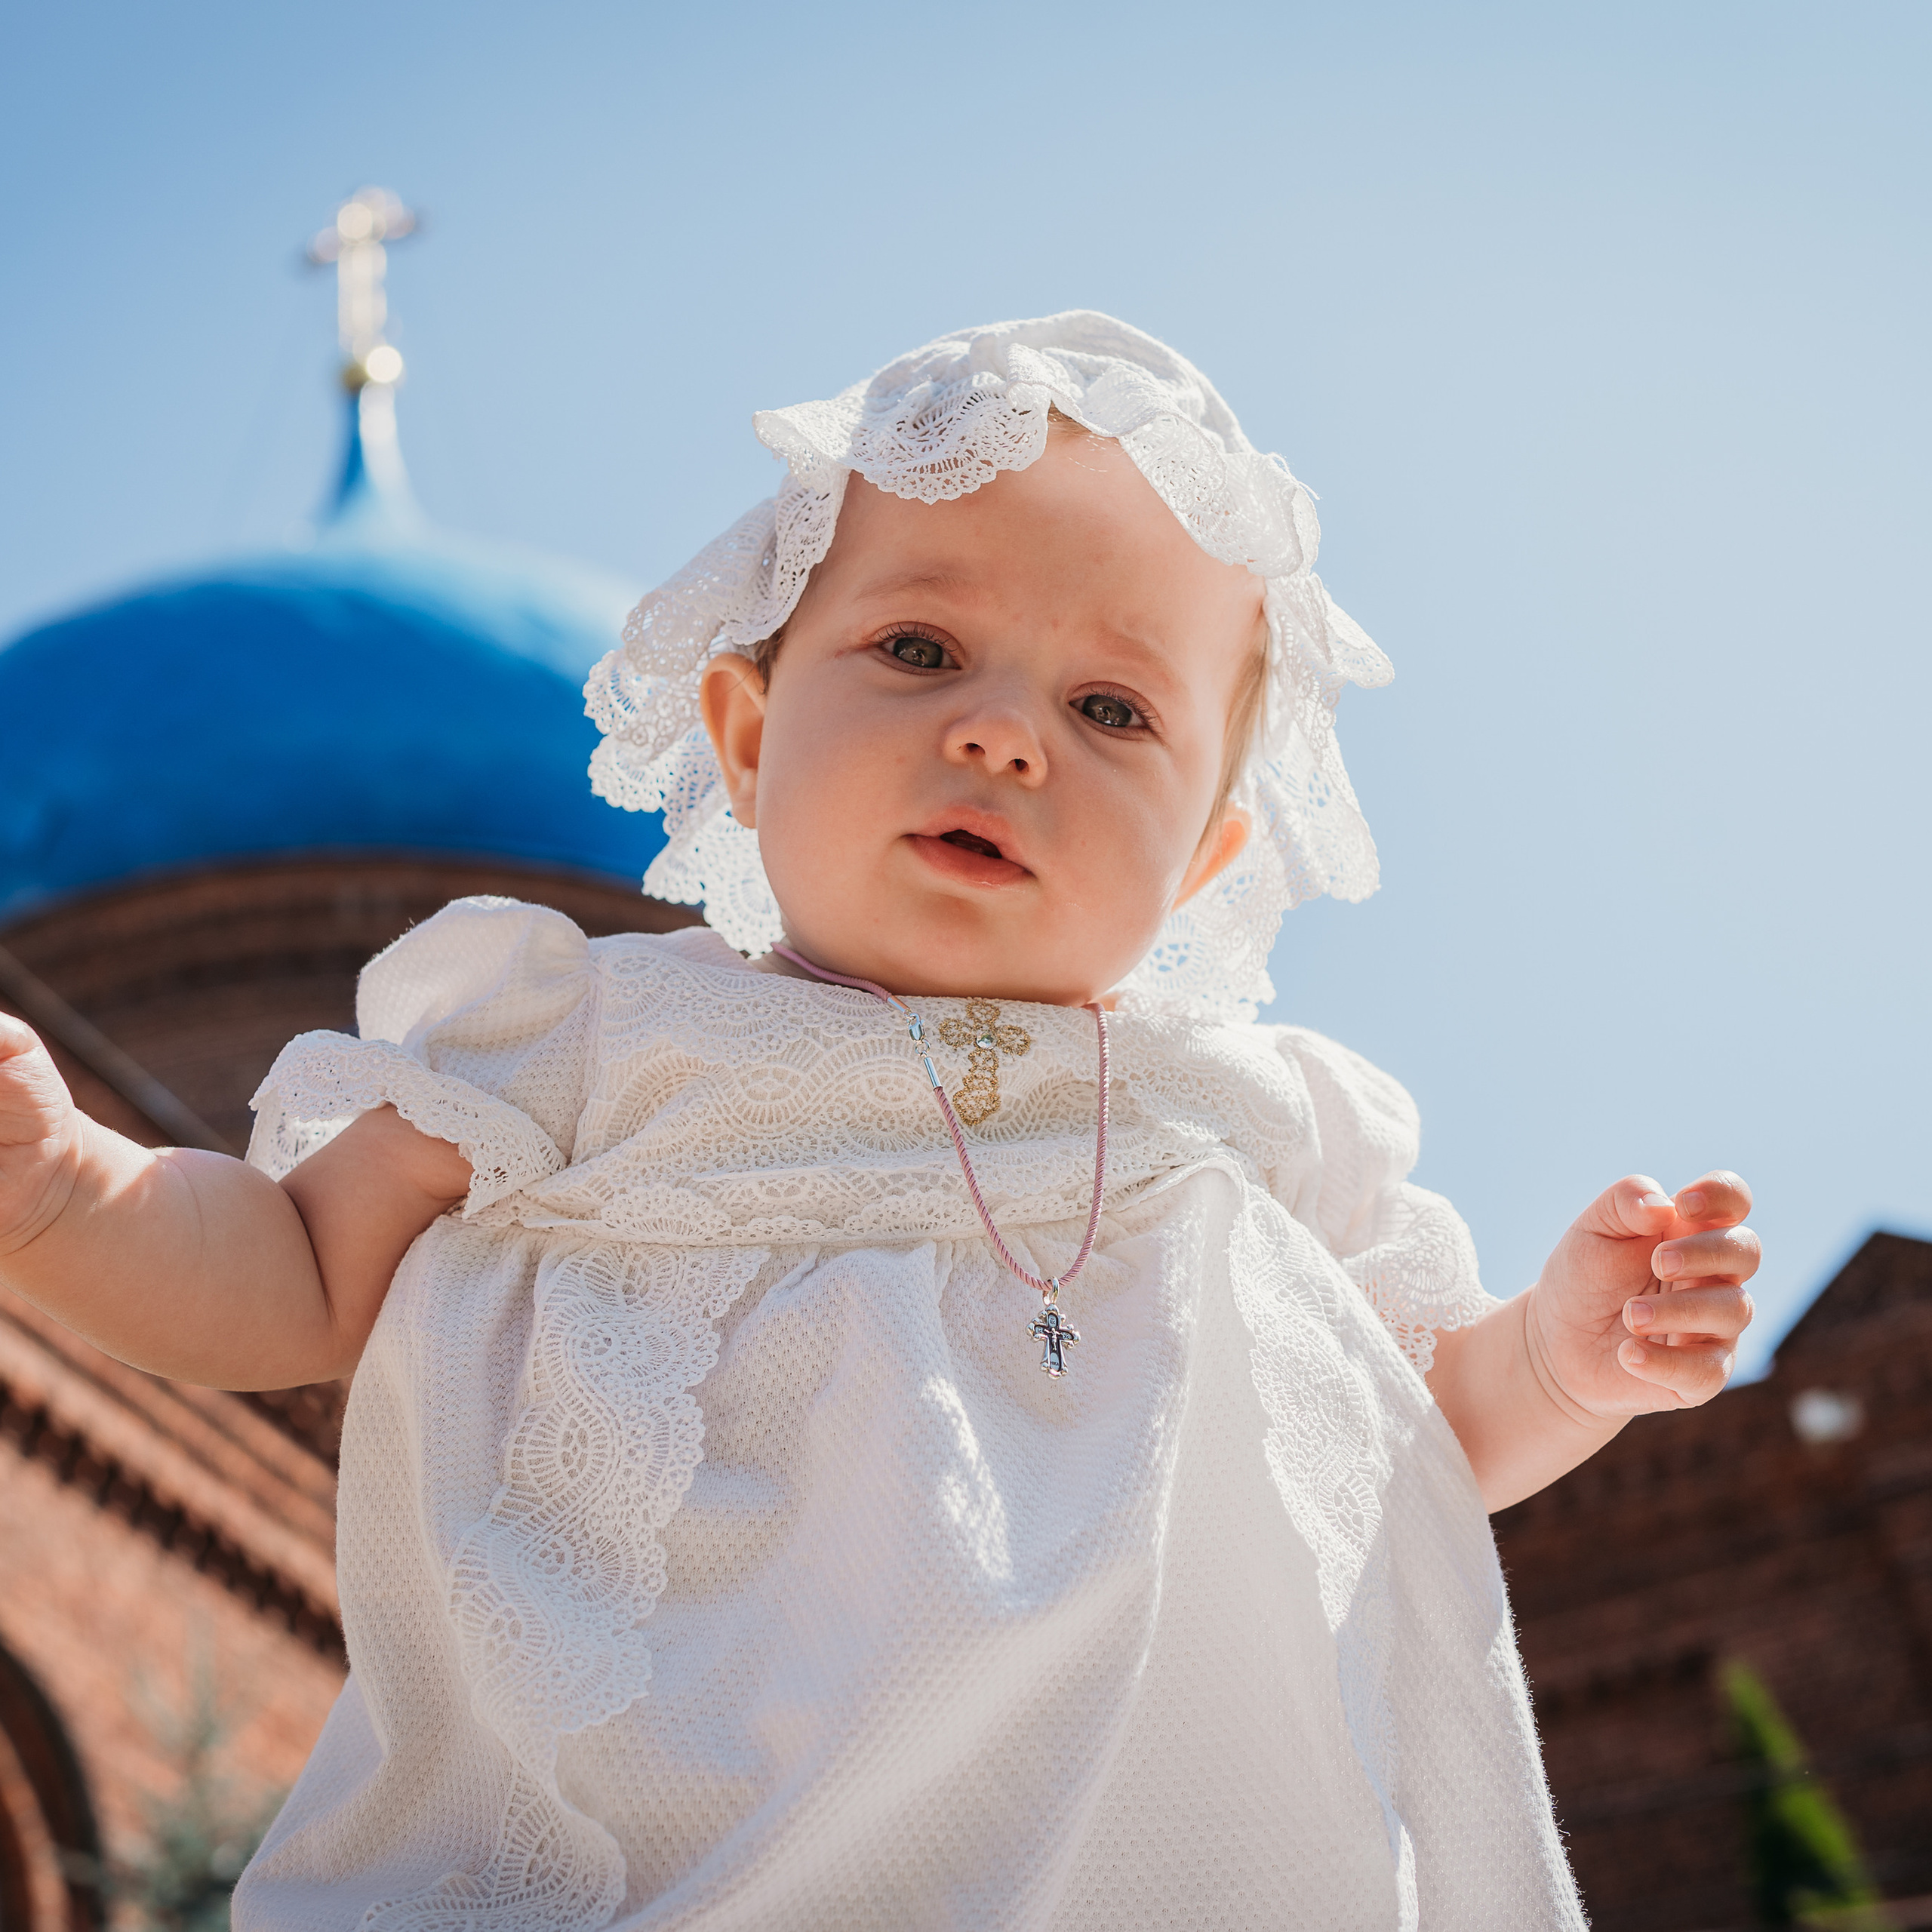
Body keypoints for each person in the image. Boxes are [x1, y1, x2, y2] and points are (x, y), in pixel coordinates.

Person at [0, 312, 1758, 1931]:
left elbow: (1404, 1440)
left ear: (1207, 858)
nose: (1000, 735)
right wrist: (77, 1191)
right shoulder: (587, 1041)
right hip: (688, 1872)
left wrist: (1557, 1359)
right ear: (745, 737)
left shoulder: (1254, 1130)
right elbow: (297, 1270)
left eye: (1110, 709)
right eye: (918, 648)